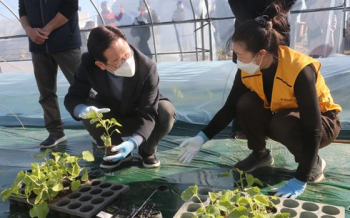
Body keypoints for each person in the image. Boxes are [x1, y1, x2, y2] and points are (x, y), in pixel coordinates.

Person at [178, 5, 342, 199]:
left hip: (323, 123)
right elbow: (230, 107)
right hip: (284, 115)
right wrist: (202, 137)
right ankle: (260, 155)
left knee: (282, 123)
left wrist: (300, 178)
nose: (236, 60)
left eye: (239, 55)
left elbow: (313, 127)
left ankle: (313, 162)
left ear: (261, 53)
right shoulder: (249, 68)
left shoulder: (299, 69)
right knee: (245, 103)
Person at [64, 26, 176, 169]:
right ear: (101, 64)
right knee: (89, 112)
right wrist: (81, 110)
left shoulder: (147, 67)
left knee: (166, 110)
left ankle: (146, 151)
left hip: (142, 118)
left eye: (127, 53)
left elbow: (148, 112)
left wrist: (133, 143)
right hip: (113, 116)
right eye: (118, 61)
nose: (127, 61)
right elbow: (73, 96)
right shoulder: (88, 63)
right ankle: (115, 149)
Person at [227, 0, 297, 139]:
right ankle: (241, 127)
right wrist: (251, 23)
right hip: (246, 28)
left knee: (275, 79)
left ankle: (276, 126)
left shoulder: (302, 69)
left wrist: (270, 15)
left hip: (275, 25)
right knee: (245, 83)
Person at [18, 0, 82, 148]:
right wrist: (29, 31)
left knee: (81, 86)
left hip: (66, 42)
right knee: (45, 92)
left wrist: (47, 29)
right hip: (38, 45)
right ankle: (55, 132)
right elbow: (23, 11)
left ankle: (97, 130)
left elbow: (70, 5)